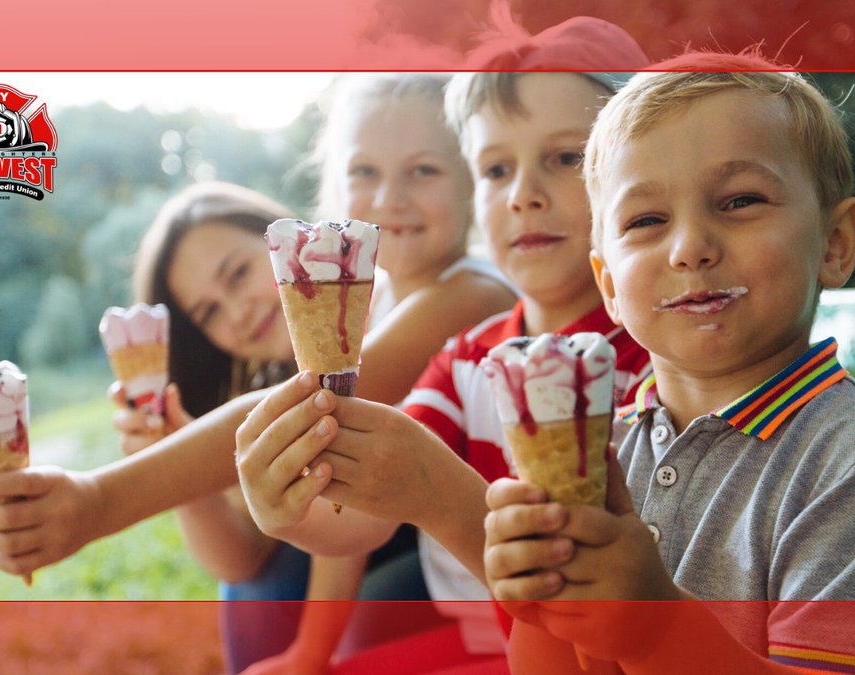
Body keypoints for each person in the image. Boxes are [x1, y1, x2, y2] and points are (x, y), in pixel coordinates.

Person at [0, 73, 519, 673]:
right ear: (337, 187)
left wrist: (100, 499)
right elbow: (243, 560)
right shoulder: (369, 309)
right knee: (257, 586)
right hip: (402, 558)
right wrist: (176, 452)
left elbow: (323, 422)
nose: (389, 198)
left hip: (477, 583)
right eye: (364, 174)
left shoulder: (469, 292)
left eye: (423, 171)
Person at [480, 62, 855, 673]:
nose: (690, 248)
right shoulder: (612, 451)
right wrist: (541, 595)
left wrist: (655, 632)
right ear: (608, 284)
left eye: (740, 201)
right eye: (646, 221)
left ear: (835, 243)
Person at [233, 70, 653, 669]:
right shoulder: (464, 360)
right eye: (497, 170)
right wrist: (290, 509)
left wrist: (437, 492)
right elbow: (359, 523)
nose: (523, 194)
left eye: (564, 158)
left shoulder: (655, 366)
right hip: (475, 645)